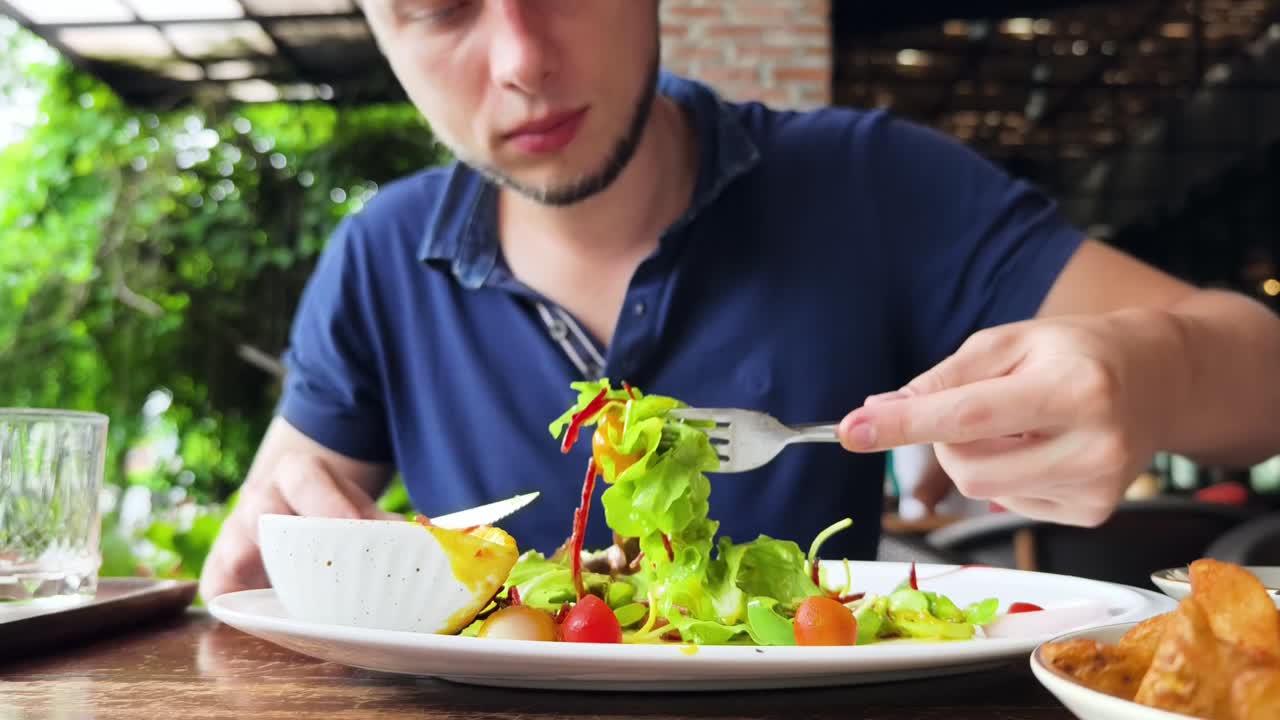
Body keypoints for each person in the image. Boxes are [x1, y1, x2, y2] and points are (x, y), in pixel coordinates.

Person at [197, 1, 1280, 601]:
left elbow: (1259, 373)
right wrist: (290, 548)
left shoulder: (873, 185)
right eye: (439, 7)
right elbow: (274, 533)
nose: (521, 60)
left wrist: (1156, 368)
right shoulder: (380, 258)